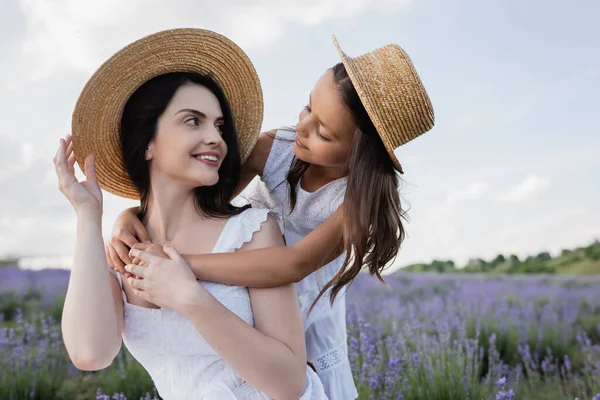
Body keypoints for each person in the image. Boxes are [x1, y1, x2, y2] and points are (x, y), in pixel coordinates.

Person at [109, 35, 435, 399]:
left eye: (323, 133)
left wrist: (182, 264)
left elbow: (290, 265)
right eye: (307, 108)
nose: (302, 128)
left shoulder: (356, 203)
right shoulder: (276, 149)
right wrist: (132, 213)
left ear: (360, 156)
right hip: (245, 282)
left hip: (305, 301)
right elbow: (200, 200)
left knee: (303, 382)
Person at [55, 28, 327, 399]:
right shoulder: (123, 247)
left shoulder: (251, 230)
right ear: (147, 141)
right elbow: (90, 354)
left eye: (218, 125)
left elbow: (290, 384)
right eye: (192, 120)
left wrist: (189, 298)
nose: (216, 138)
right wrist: (89, 215)